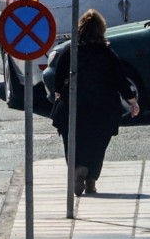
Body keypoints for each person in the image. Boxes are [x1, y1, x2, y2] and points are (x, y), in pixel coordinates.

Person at [49, 10, 140, 196]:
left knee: (72, 140)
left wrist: (58, 93)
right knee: (98, 143)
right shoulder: (107, 53)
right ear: (101, 29)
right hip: (103, 105)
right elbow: (119, 78)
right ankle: (91, 180)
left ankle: (78, 168)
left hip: (74, 103)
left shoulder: (71, 50)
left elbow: (59, 76)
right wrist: (132, 101)